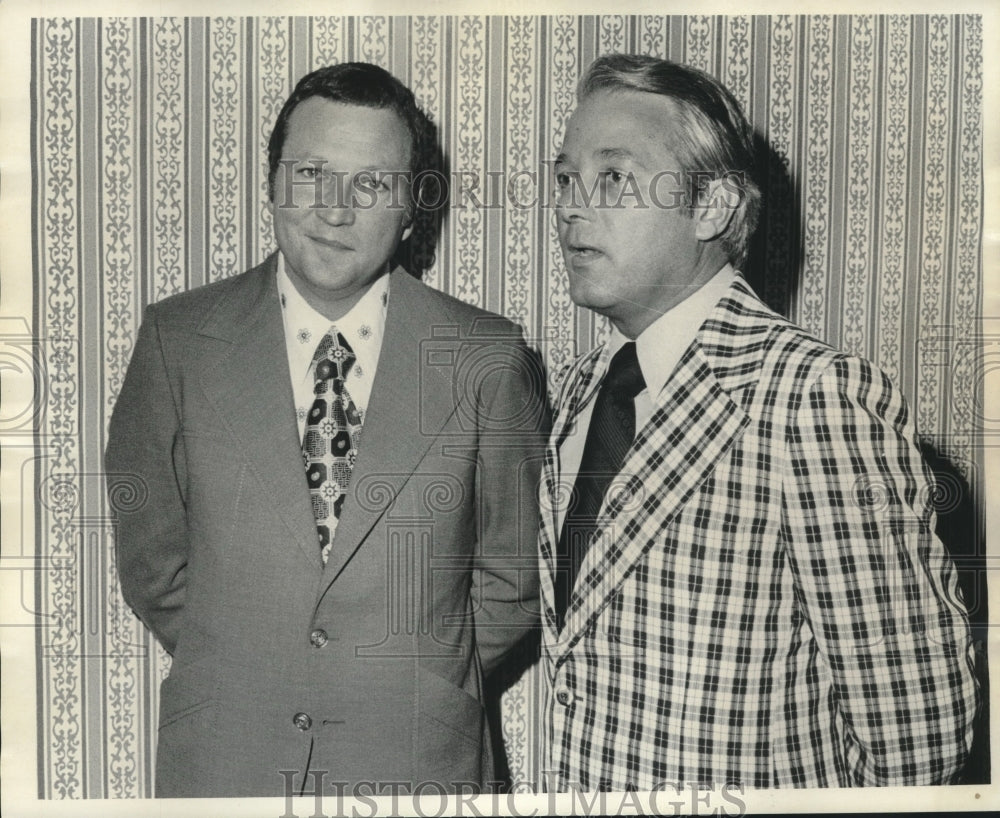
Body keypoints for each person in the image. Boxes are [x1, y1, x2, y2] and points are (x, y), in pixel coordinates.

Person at [105, 62, 548, 798]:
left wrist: (418, 677)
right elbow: (154, 565)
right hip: (226, 760)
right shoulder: (176, 343)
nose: (335, 210)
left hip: (414, 760)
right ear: (271, 182)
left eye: (371, 184)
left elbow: (516, 578)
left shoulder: (486, 358)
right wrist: (250, 661)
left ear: (411, 209)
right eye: (311, 172)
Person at [539, 53, 977, 790]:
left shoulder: (813, 397)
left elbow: (918, 740)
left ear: (711, 207)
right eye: (564, 179)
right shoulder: (584, 391)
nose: (572, 206)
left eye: (613, 176)